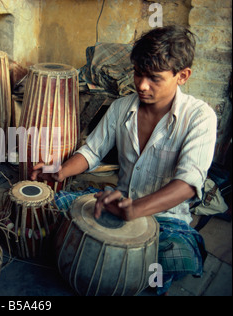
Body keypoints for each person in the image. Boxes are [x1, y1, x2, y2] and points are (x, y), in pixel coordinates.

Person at [31, 25, 217, 295]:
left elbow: (189, 183)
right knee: (51, 206)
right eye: (138, 74)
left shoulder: (200, 117)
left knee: (174, 258)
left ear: (183, 76)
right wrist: (61, 172)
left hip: (167, 220)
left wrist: (136, 209)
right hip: (115, 202)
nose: (142, 85)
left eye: (154, 78)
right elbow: (92, 151)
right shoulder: (121, 108)